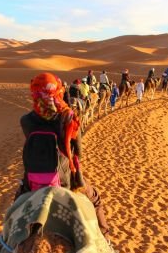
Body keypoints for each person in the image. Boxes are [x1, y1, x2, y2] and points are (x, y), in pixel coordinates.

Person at [16, 72, 110, 237]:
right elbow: (78, 154)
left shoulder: (26, 121)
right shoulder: (69, 118)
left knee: (15, 210)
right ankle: (106, 240)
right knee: (95, 200)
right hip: (65, 180)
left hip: (32, 182)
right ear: (58, 91)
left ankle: (5, 244)